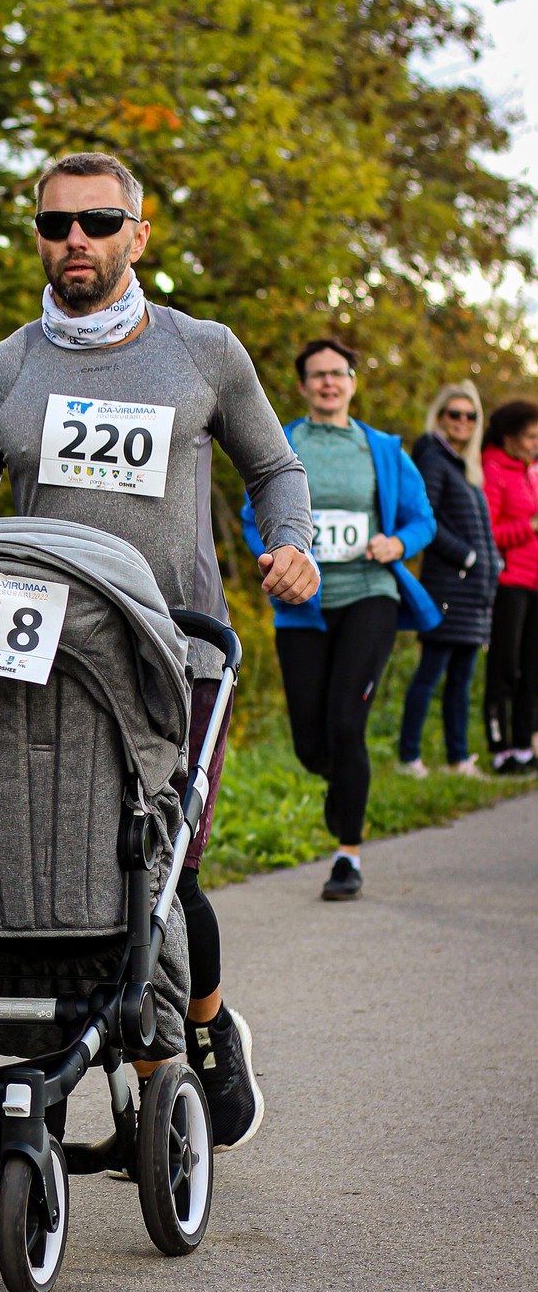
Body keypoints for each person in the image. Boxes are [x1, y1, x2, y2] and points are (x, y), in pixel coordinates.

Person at [0, 150, 318, 1153]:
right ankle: (89, 1063)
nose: (75, 242)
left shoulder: (202, 352)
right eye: (54, 225)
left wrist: (292, 546)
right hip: (34, 663)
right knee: (45, 872)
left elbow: (274, 465)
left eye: (98, 222)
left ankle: (203, 1027)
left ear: (138, 235)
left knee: (158, 866)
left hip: (174, 659)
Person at [241, 340, 438, 903]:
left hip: (369, 597)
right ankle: (342, 782)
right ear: (302, 386)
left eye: (338, 373)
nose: (328, 383)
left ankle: (347, 855)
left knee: (347, 724)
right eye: (317, 375)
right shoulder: (283, 444)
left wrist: (396, 542)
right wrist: (277, 551)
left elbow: (421, 519)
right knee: (311, 741)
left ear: (352, 382)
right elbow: (252, 515)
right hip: (302, 607)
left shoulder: (381, 448)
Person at [397, 382, 500, 777]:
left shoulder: (464, 467)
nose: (462, 422)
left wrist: (492, 563)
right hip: (447, 587)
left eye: (470, 416)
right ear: (440, 417)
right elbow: (426, 521)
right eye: (454, 414)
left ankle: (459, 760)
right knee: (431, 674)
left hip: (473, 593)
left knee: (461, 679)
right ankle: (409, 758)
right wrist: (468, 555)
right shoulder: (433, 461)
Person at [480, 398, 538, 774]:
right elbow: (488, 534)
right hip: (507, 582)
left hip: (534, 583)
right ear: (509, 437)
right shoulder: (492, 469)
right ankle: (499, 748)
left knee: (532, 668)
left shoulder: (529, 472)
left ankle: (524, 745)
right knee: (505, 666)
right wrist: (530, 526)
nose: (536, 443)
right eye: (531, 436)